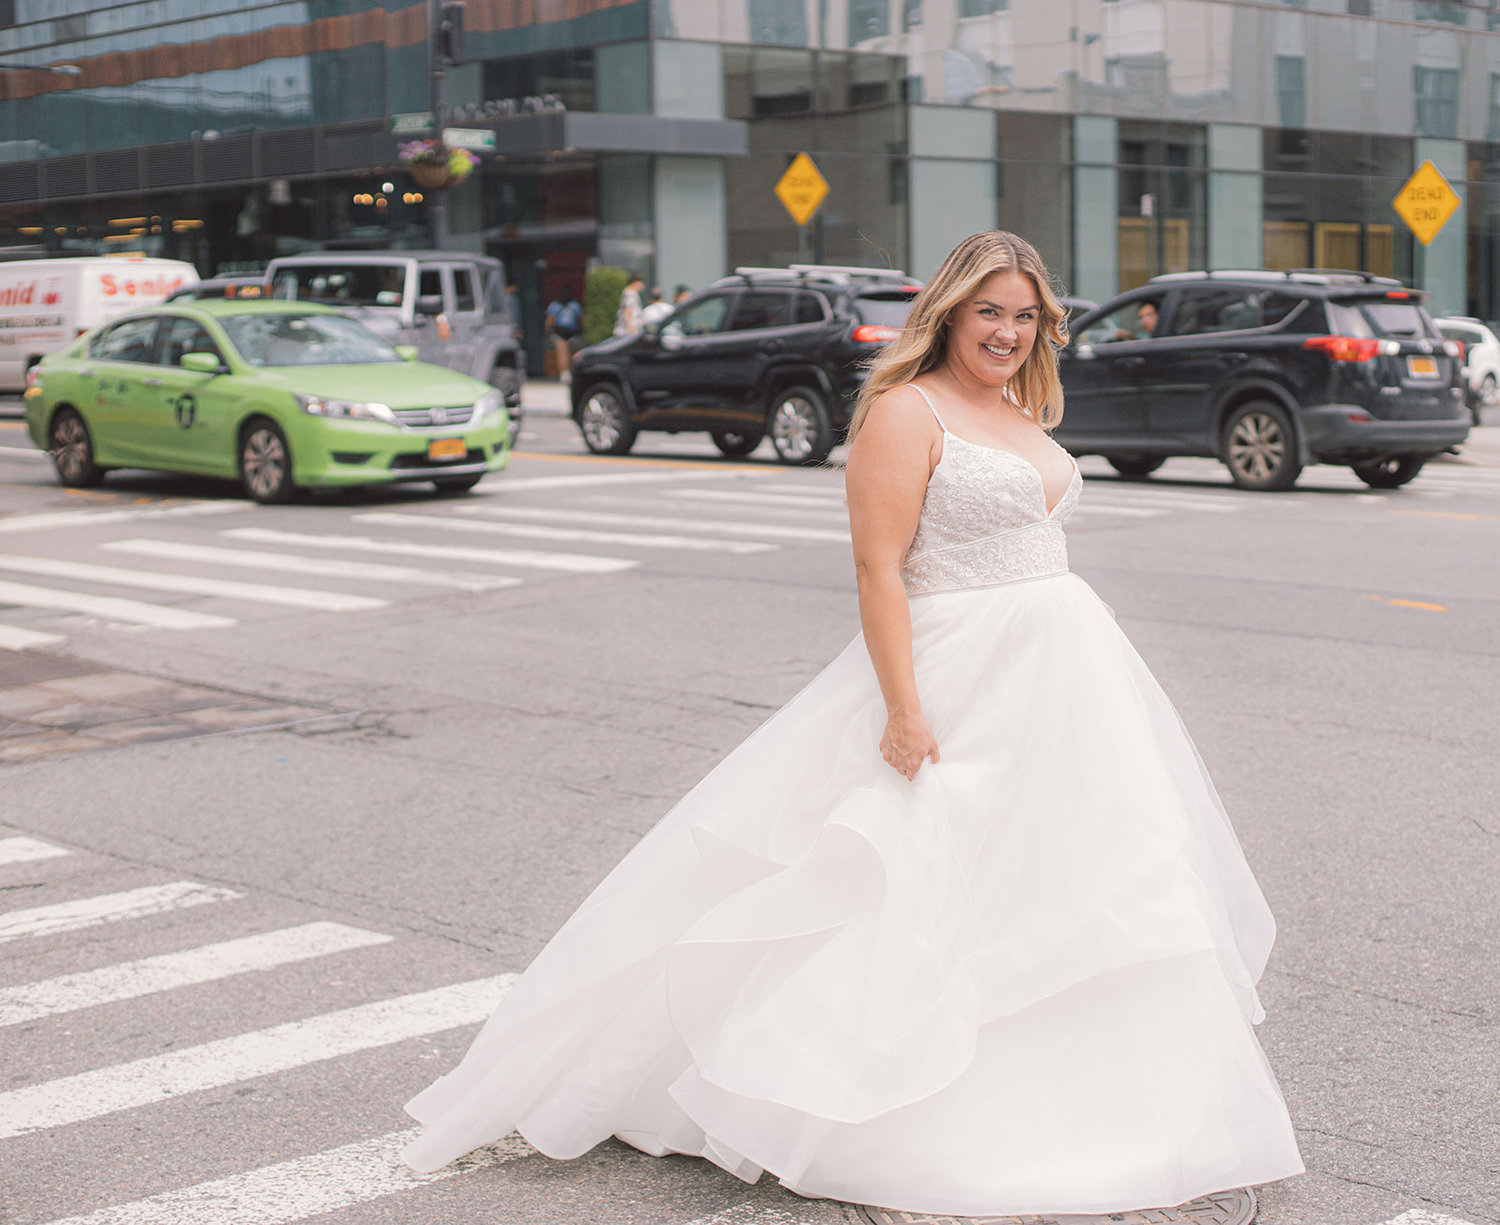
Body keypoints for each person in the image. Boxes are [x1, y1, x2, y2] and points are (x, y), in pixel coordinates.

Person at [402, 231, 1304, 1217]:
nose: (1007, 330)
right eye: (988, 311)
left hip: (1067, 680)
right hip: (957, 673)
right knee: (906, 886)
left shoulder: (1020, 409)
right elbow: (879, 567)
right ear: (952, 313)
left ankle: (1123, 1106)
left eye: (1024, 315)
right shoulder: (904, 412)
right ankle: (881, 1103)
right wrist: (905, 709)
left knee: (1078, 887)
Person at [544, 287, 581, 382]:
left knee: (570, 352)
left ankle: (572, 372)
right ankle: (566, 373)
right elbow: (550, 320)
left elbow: (579, 320)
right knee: (563, 350)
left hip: (569, 332)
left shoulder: (573, 305)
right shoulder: (557, 306)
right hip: (561, 332)